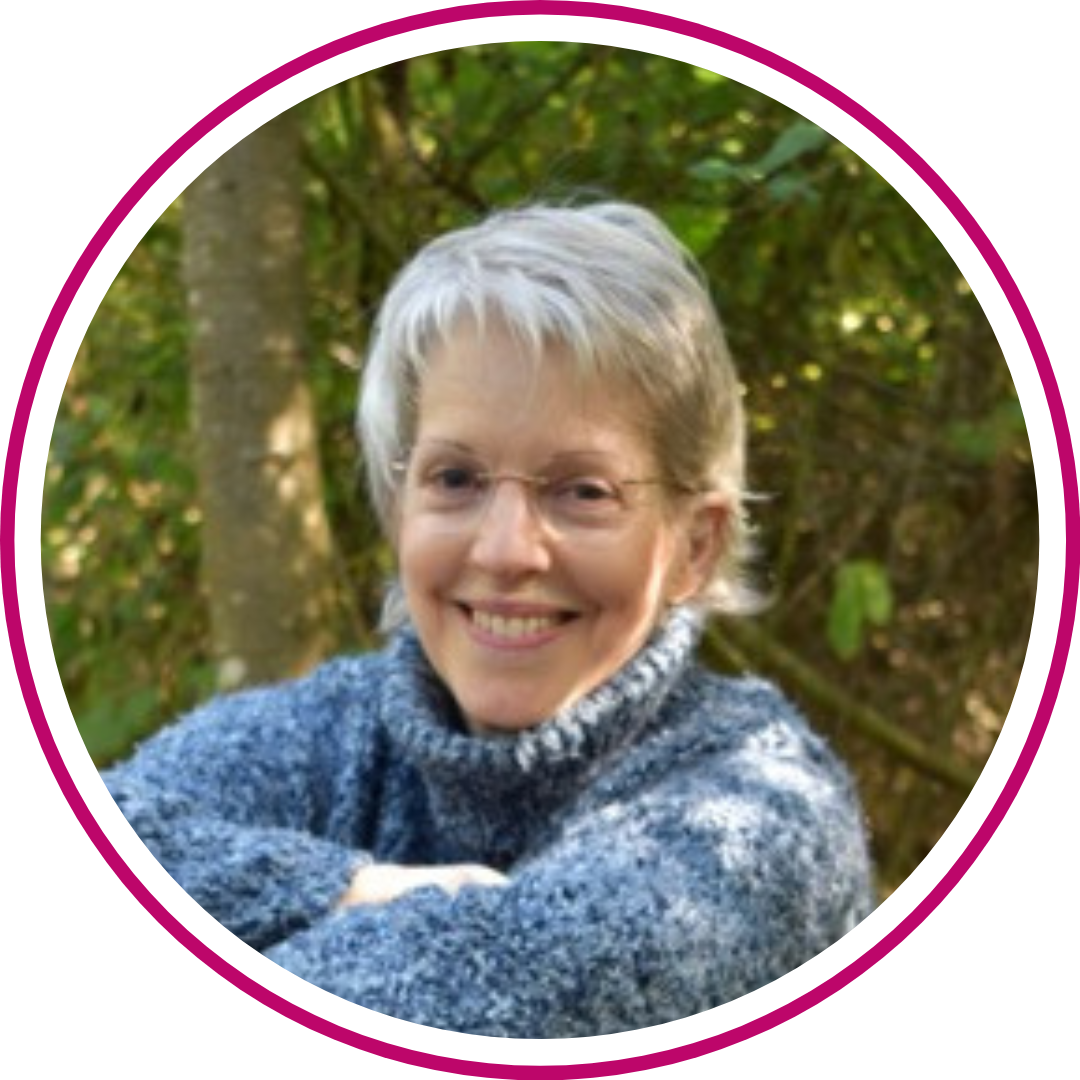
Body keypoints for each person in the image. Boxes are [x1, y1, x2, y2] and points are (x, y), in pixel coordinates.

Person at [103, 201, 875, 1038]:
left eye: (583, 491)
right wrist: (340, 887)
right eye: (456, 479)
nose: (507, 551)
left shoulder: (759, 818)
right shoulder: (334, 731)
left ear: (695, 545)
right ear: (399, 505)